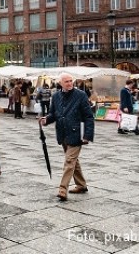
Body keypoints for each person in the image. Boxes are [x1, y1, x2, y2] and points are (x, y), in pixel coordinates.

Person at [40, 73, 95, 201]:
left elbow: (88, 116)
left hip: (77, 134)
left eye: (71, 81)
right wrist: (46, 120)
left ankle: (62, 189)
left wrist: (87, 135)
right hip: (63, 133)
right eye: (66, 81)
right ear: (60, 83)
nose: (70, 83)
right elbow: (53, 114)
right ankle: (81, 185)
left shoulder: (80, 95)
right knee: (73, 161)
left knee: (69, 161)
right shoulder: (56, 96)